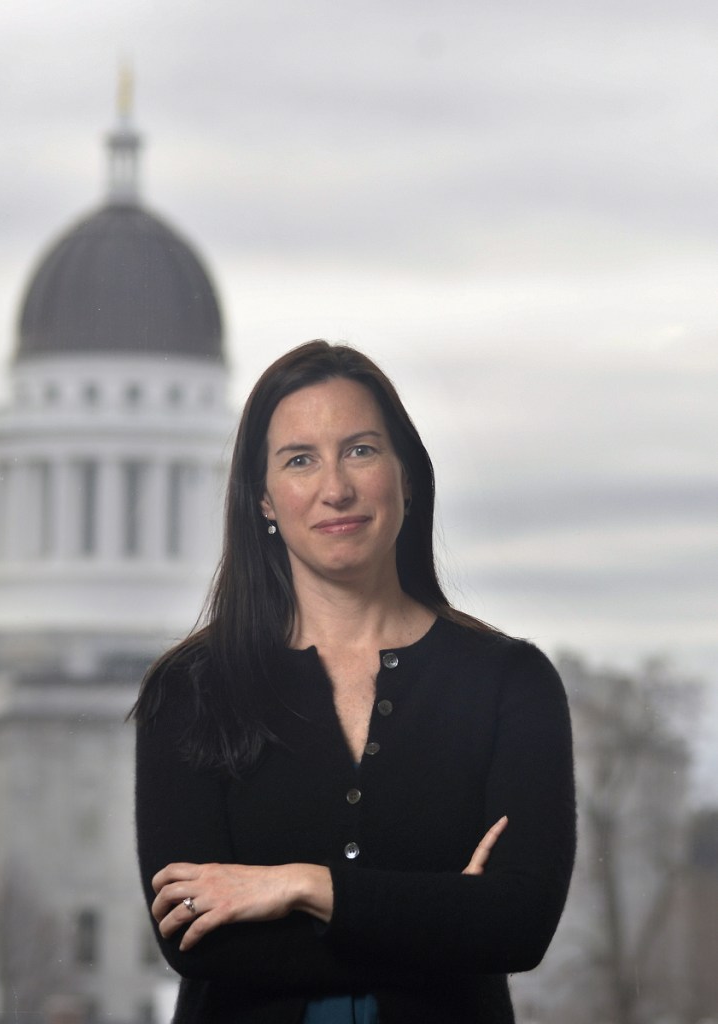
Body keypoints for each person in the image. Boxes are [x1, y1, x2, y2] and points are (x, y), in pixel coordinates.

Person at [132, 340, 576, 1024]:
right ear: (264, 500)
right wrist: (439, 920)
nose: (335, 487)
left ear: (407, 478)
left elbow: (519, 926)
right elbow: (195, 940)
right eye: (300, 459)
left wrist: (303, 888)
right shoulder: (191, 691)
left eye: (361, 450)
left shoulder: (510, 683)